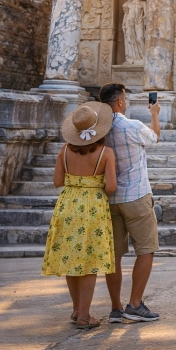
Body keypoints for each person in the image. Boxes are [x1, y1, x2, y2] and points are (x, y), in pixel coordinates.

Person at [42, 102, 117, 329]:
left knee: (70, 259)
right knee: (90, 262)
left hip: (67, 206)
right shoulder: (106, 153)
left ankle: (76, 309)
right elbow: (112, 187)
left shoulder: (64, 150)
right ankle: (85, 315)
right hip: (92, 207)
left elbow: (57, 182)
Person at [100, 83, 161, 322]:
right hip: (136, 195)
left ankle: (116, 308)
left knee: (114, 254)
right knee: (146, 249)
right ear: (119, 102)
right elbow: (155, 137)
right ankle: (135, 304)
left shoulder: (99, 130)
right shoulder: (131, 125)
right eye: (124, 98)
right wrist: (154, 114)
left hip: (110, 198)